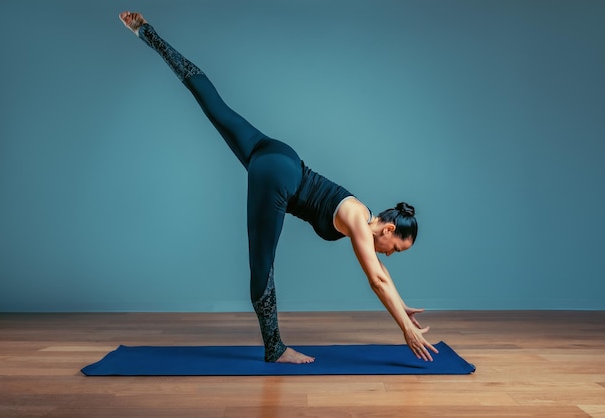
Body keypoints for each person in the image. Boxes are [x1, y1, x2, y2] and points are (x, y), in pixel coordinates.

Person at [118, 11, 438, 364]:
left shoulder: (361, 214)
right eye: (395, 248)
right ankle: (275, 349)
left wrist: (401, 304)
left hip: (278, 154)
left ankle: (147, 33)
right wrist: (404, 328)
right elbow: (376, 279)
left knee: (215, 106)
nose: (389, 254)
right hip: (278, 177)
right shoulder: (359, 223)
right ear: (389, 228)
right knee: (261, 268)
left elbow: (384, 275)